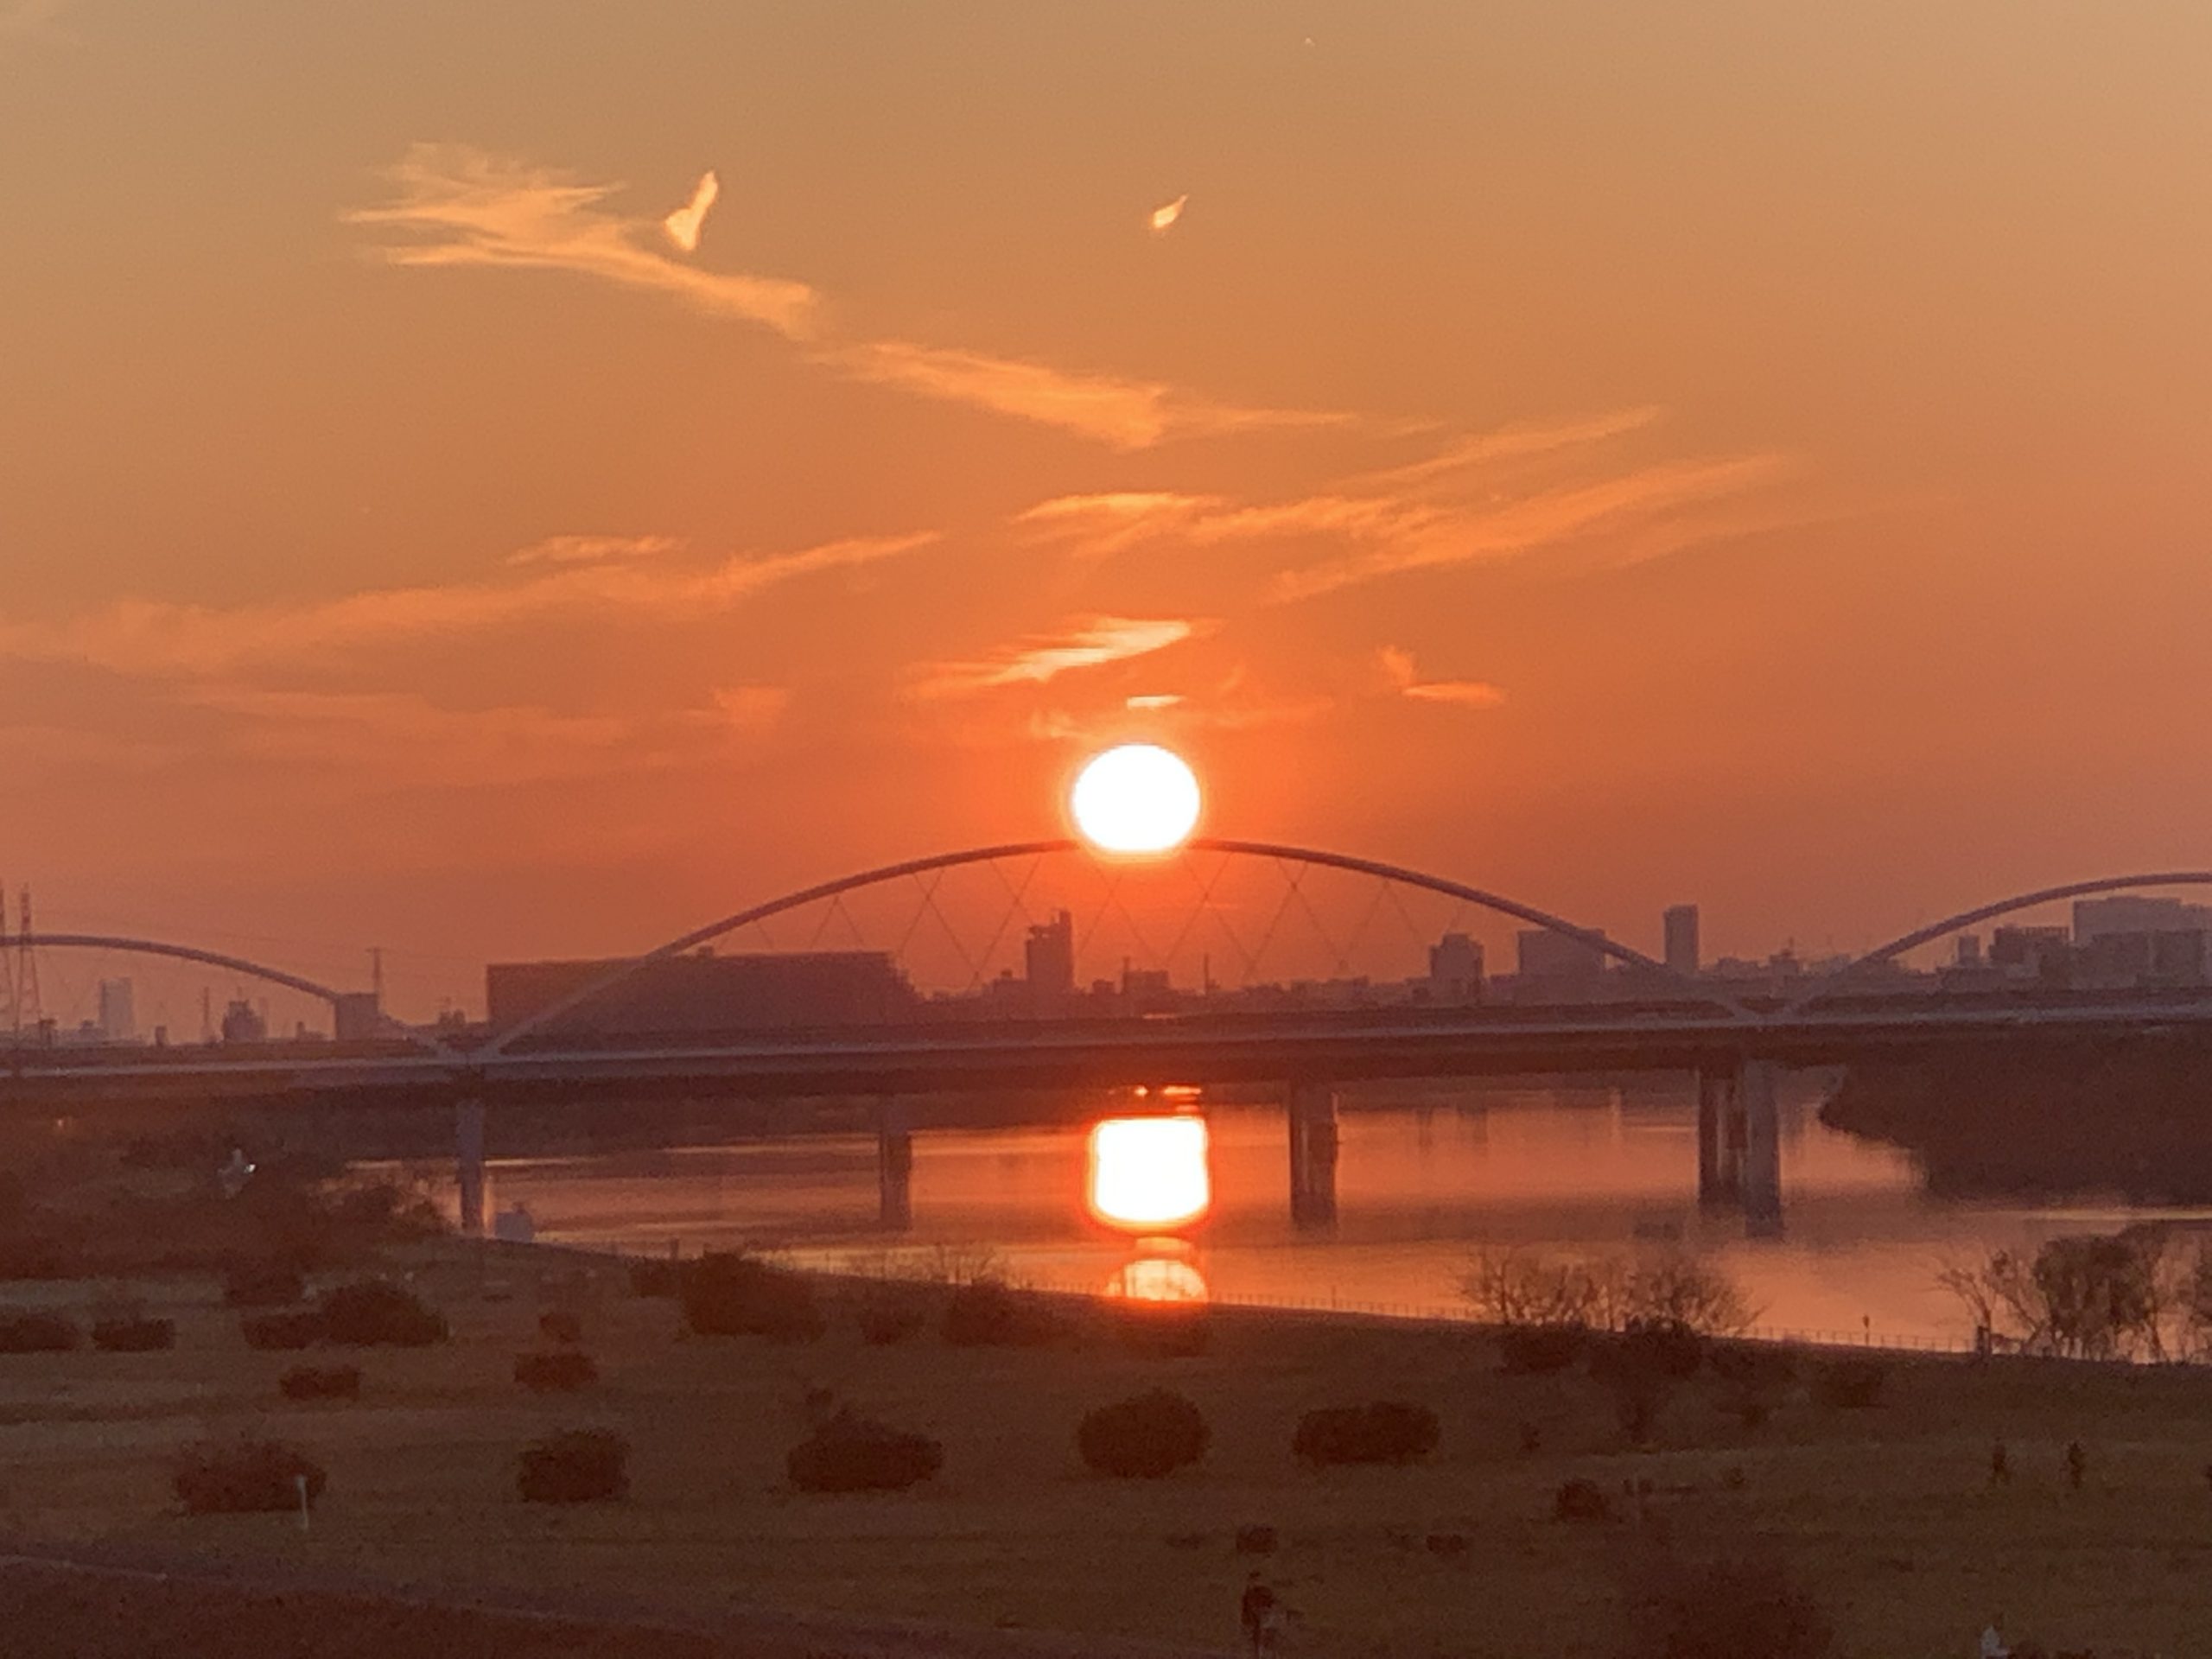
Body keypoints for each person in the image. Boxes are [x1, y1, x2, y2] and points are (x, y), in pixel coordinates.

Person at [1240, 1573, 1279, 1659]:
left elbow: (1271, 1605)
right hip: (1255, 1624)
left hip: (1263, 1623)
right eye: (1253, 1580)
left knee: (1266, 1642)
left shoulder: (1264, 1593)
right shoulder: (1249, 1594)